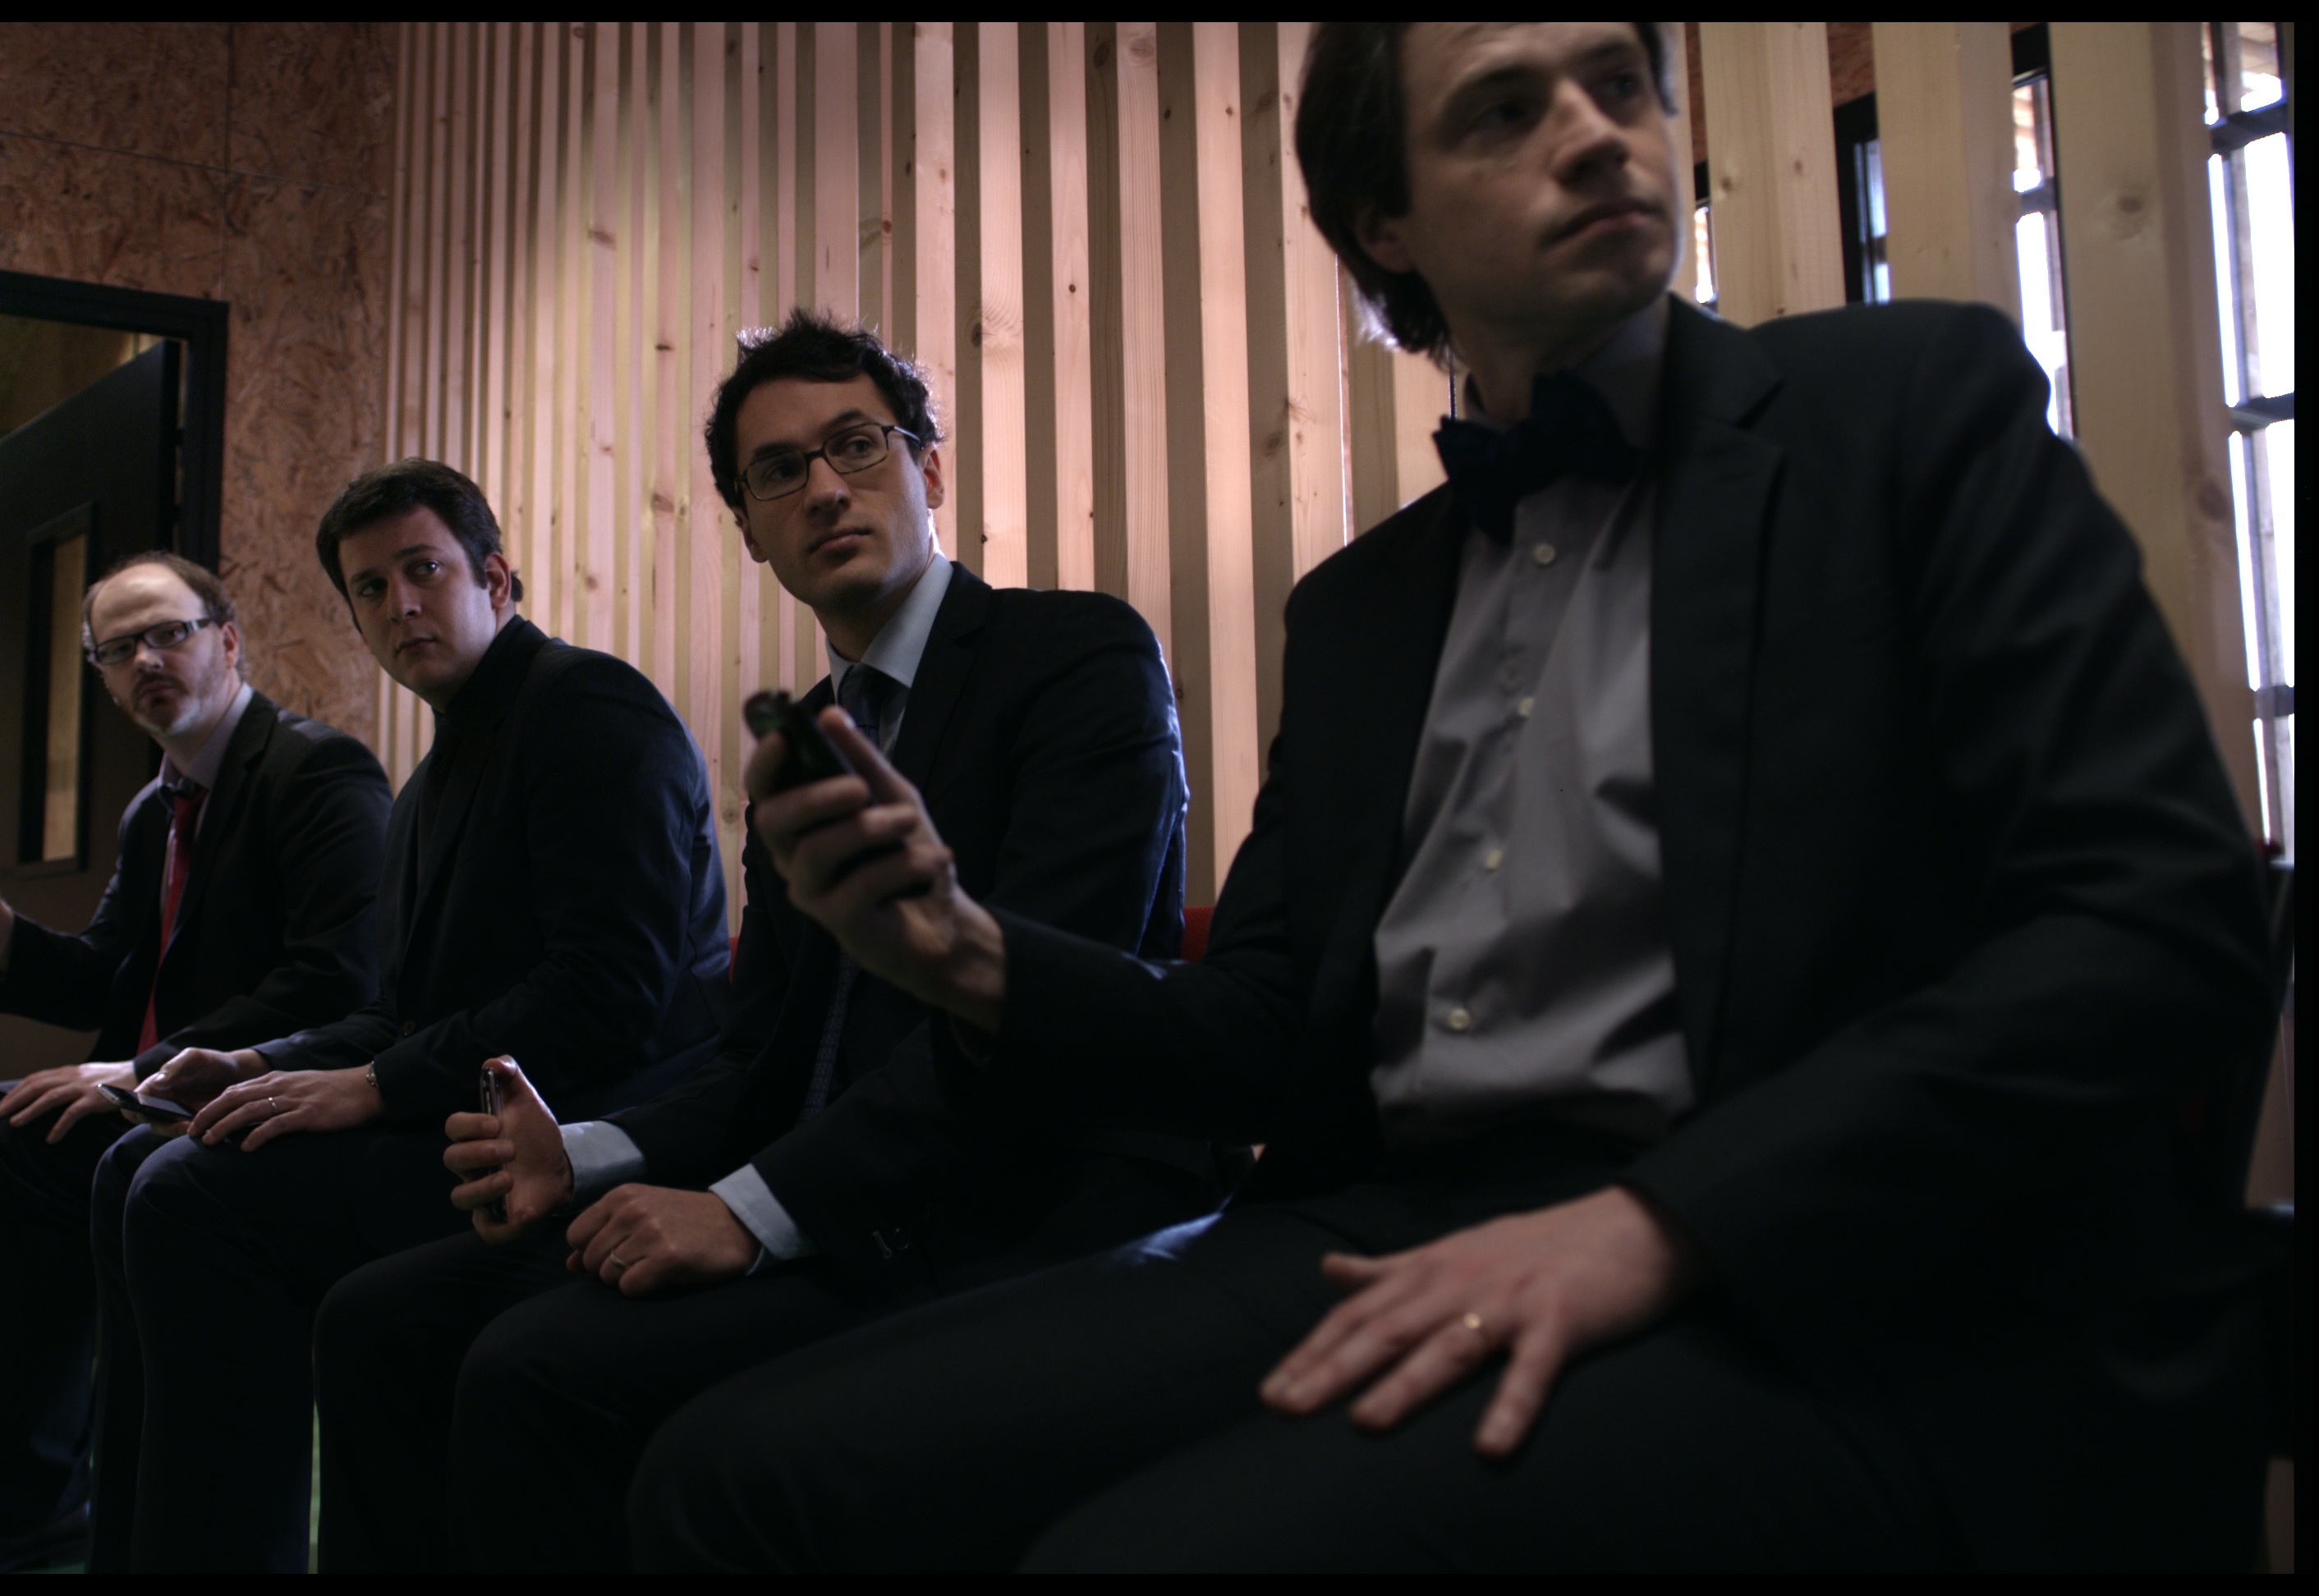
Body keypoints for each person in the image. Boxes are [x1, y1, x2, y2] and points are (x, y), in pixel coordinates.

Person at [635, 21, 2278, 1573]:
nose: (1593, 132)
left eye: (1617, 81)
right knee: (733, 1475)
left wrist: (1664, 1217)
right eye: (1503, 107)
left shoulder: (1904, 406)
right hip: (1380, 1219)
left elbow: (2154, 917)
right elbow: (1261, 1025)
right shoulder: (1360, 610)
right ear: (1387, 222)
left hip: (1831, 1264)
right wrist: (969, 956)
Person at [307, 311, 1224, 1573]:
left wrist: (751, 1211)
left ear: (929, 467)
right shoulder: (803, 740)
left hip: (1026, 1191)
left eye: (857, 444)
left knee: (536, 1371)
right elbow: (760, 1053)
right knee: (379, 1321)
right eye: (779, 471)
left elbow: (1038, 1024)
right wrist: (583, 1153)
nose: (825, 488)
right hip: (836, 1180)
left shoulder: (1073, 656)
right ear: (747, 527)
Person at [94, 459, 732, 1571]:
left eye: (423, 571)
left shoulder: (585, 706)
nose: (399, 605)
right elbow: (402, 1009)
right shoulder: (433, 779)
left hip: (598, 1128)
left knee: (191, 1195)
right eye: (370, 588)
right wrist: (251, 1062)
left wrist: (373, 1086)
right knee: (139, 1160)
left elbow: (608, 994)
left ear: (496, 579)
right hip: (472, 1114)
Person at [0, 551, 388, 1574]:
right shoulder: (158, 808)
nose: (147, 661)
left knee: (22, 1145)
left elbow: (339, 979)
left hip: (265, 1085)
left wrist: (143, 1072)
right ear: (100, 676)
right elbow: (105, 977)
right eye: (119, 648)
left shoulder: (316, 773)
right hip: (162, 1087)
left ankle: (28, 1500)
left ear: (229, 640)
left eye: (169, 633)